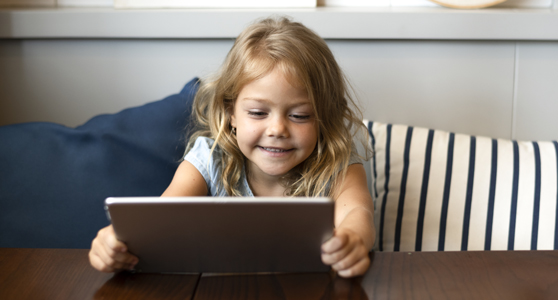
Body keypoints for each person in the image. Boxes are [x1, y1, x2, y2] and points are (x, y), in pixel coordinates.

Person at [88, 16, 375, 278]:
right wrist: (116, 240)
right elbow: (161, 220)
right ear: (231, 113)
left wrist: (352, 239)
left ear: (325, 118)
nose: (277, 130)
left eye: (299, 115)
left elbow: (357, 214)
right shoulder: (209, 159)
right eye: (258, 113)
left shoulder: (337, 164)